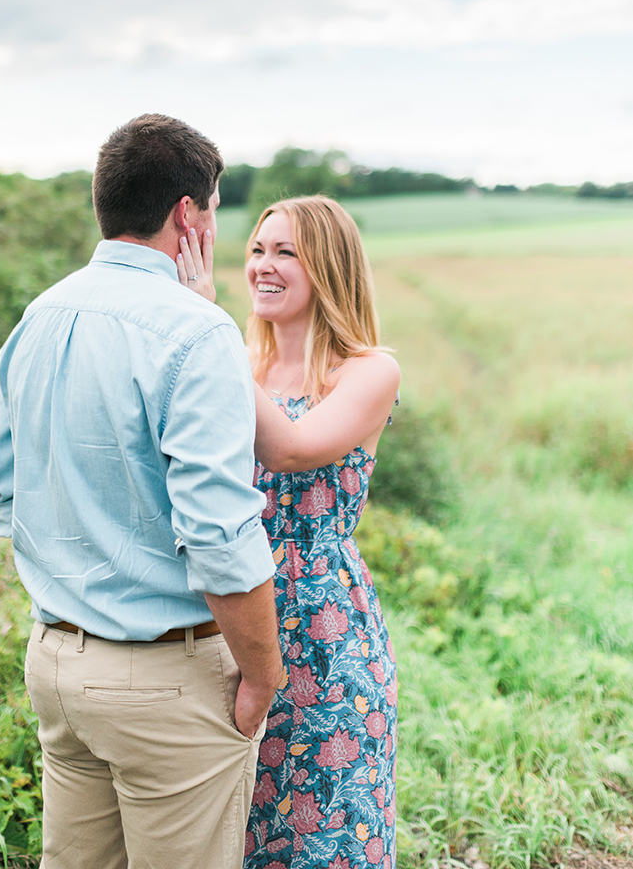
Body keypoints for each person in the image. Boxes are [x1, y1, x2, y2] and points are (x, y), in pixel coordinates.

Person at [0, 114, 283, 869]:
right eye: (214, 208)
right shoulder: (196, 333)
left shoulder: (39, 315)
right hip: (163, 682)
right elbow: (218, 537)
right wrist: (262, 672)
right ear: (188, 213)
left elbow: (7, 497)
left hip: (54, 664)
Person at [178, 194, 399, 869]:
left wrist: (204, 322)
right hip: (231, 612)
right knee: (236, 831)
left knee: (324, 830)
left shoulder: (367, 371)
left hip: (324, 629)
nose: (263, 267)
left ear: (326, 268)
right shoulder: (239, 361)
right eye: (256, 251)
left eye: (285, 253)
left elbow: (291, 450)